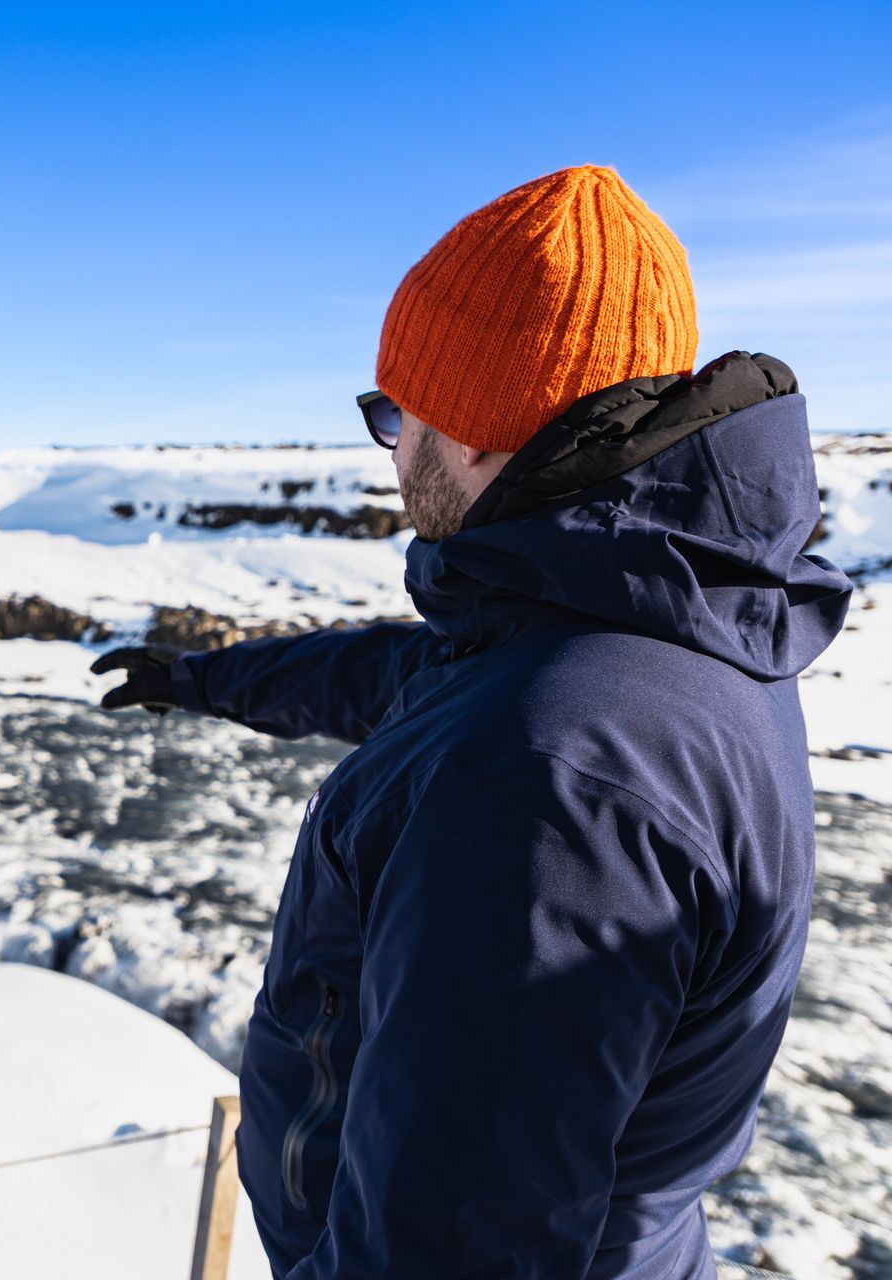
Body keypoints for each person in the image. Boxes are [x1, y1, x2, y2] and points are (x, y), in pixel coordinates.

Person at [91, 164, 852, 1279]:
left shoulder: (544, 783)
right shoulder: (651, 622)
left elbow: (447, 1252)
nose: (389, 449)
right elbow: (401, 675)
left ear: (490, 432)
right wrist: (204, 680)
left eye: (399, 413)